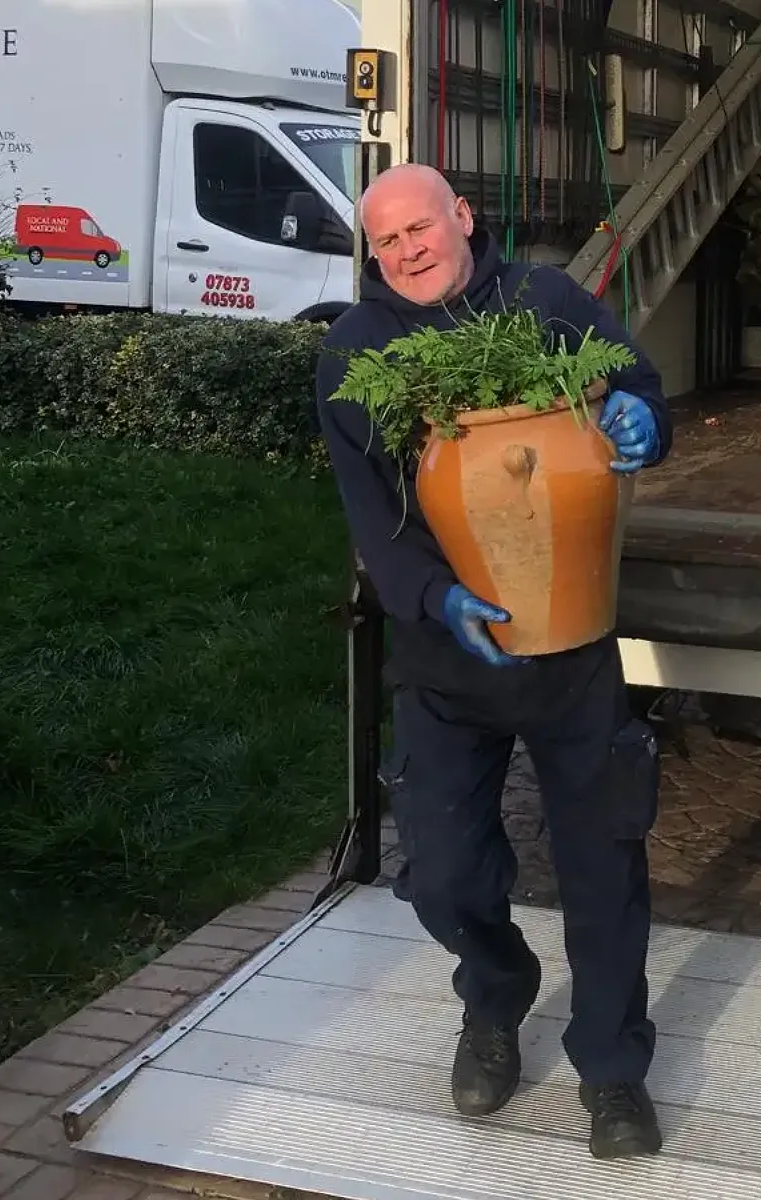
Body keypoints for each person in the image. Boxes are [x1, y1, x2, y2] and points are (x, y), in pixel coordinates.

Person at [313, 163, 673, 1161]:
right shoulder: (356, 352)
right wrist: (435, 597)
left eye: (419, 227)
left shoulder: (545, 303)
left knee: (603, 865)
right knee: (438, 874)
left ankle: (612, 1073)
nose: (407, 251)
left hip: (569, 651)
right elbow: (372, 527)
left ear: (462, 216)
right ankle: (497, 994)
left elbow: (634, 383)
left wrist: (645, 418)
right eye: (385, 241)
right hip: (447, 661)